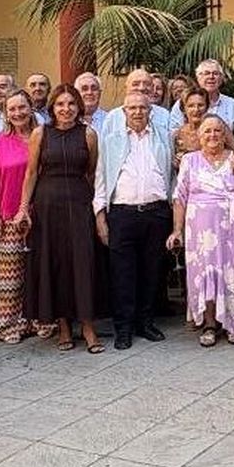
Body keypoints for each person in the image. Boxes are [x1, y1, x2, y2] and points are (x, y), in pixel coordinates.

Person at [15, 84, 103, 352]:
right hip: (48, 206)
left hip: (79, 204)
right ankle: (63, 326)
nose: (66, 109)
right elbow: (31, 173)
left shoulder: (89, 134)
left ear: (79, 107)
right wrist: (23, 208)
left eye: (71, 104)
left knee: (83, 262)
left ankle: (88, 326)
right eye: (61, 104)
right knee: (56, 263)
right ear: (52, 107)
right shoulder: (41, 133)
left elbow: (92, 171)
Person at [171, 115, 234, 346]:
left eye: (217, 131)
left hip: (231, 229)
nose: (212, 135)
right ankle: (210, 324)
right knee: (205, 273)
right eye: (207, 131)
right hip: (200, 231)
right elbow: (179, 197)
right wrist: (177, 230)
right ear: (199, 136)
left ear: (225, 135)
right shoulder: (190, 160)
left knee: (231, 274)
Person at [94, 90, 174, 349]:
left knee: (152, 271)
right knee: (122, 273)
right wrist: (100, 217)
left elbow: (172, 175)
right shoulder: (111, 140)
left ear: (150, 111)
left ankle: (145, 322)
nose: (138, 112)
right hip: (122, 214)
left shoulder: (164, 136)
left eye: (142, 107)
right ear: (123, 112)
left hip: (156, 212)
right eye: (132, 108)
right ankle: (123, 328)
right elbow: (101, 179)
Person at [0, 90, 37, 344]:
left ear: (31, 108)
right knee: (8, 277)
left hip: (40, 217)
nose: (17, 113)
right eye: (12, 109)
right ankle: (7, 324)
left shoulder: (42, 137)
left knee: (37, 272)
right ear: (5, 113)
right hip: (9, 217)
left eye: (22, 107)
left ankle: (38, 320)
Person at [169, 59, 234, 128]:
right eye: (206, 73)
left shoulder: (233, 105)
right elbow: (174, 132)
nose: (211, 77)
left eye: (215, 73)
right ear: (198, 78)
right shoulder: (182, 103)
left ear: (221, 78)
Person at [173, 87, 210, 168]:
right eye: (191, 106)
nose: (196, 109)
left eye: (200, 105)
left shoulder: (215, 131)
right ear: (183, 109)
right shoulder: (177, 135)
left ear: (207, 107)